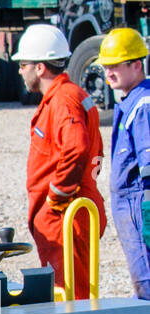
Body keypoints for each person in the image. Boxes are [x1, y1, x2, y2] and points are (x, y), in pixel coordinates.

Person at [15, 23, 107, 299]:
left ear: (40, 68)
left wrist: (57, 195)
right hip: (70, 212)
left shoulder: (63, 101)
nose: (20, 71)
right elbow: (96, 153)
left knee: (69, 296)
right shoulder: (71, 96)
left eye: (23, 65)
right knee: (72, 292)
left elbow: (77, 148)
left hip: (64, 215)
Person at [101, 28, 150, 299]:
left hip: (138, 207)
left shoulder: (143, 105)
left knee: (147, 280)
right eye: (106, 66)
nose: (109, 72)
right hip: (131, 206)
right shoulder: (130, 102)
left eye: (115, 66)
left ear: (137, 65)